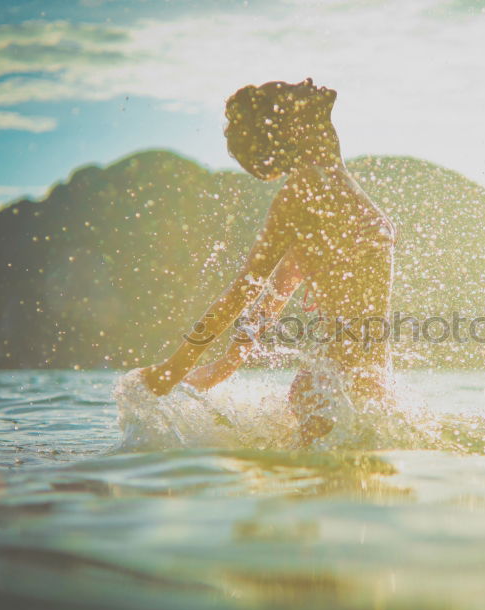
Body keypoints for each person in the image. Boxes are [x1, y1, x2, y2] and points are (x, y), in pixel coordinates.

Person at [142, 78, 396, 445]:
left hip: (342, 387)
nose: (305, 83)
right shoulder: (306, 192)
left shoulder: (331, 186)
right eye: (291, 89)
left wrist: (230, 361)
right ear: (292, 126)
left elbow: (277, 291)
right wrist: (176, 367)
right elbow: (244, 290)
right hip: (333, 389)